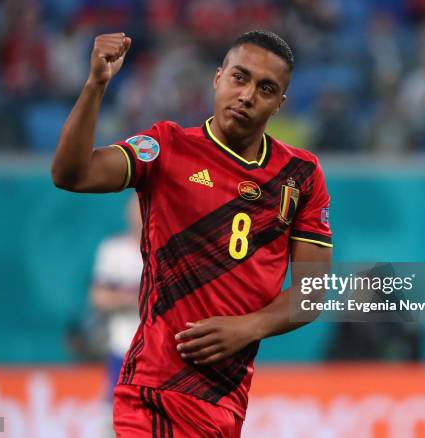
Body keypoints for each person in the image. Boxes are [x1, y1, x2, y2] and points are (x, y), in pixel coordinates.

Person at [51, 30, 332, 437]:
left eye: (265, 89)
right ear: (218, 78)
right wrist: (96, 84)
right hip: (154, 392)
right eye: (240, 77)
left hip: (225, 403)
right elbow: (71, 174)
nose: (248, 95)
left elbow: (310, 294)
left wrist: (247, 327)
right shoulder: (166, 148)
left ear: (279, 104)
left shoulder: (301, 177)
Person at [90, 195, 143, 398]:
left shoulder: (168, 250)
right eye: (135, 210)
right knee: (117, 413)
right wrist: (134, 299)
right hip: (122, 347)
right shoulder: (114, 250)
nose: (139, 216)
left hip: (158, 350)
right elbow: (99, 297)